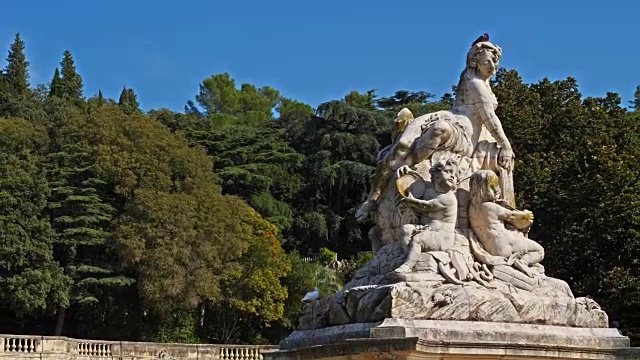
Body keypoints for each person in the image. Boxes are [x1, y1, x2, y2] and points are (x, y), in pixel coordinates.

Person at [355, 40, 513, 223]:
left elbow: (489, 118)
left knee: (438, 129)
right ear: (474, 62)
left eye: (495, 62)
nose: (493, 67)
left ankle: (407, 166)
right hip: (452, 120)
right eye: (487, 62)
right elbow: (490, 119)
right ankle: (373, 196)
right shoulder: (473, 82)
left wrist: (505, 146)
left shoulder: (483, 85)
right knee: (403, 143)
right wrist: (506, 146)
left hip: (463, 135)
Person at [468, 170, 544, 277]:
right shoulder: (490, 207)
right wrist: (526, 214)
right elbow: (512, 216)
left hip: (492, 249)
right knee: (539, 250)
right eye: (492, 187)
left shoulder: (471, 208)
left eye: (497, 186)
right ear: (480, 189)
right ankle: (523, 262)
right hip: (506, 245)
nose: (497, 190)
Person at [394, 159, 459, 273]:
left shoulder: (448, 198)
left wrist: (411, 201)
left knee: (418, 239)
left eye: (455, 175)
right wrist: (408, 172)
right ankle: (409, 256)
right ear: (436, 175)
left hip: (442, 237)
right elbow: (417, 182)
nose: (452, 176)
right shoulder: (430, 188)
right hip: (427, 229)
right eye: (448, 171)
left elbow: (427, 206)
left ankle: (408, 265)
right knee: (406, 229)